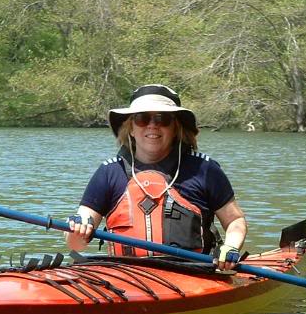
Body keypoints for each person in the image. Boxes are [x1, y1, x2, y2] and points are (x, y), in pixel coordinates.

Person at [66, 84, 247, 271]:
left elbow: (235, 220)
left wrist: (231, 247)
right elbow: (75, 245)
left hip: (194, 275)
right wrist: (79, 229)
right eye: (142, 118)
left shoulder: (204, 170)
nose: (152, 125)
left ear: (175, 128)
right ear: (131, 128)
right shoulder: (109, 172)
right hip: (125, 277)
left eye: (163, 119)